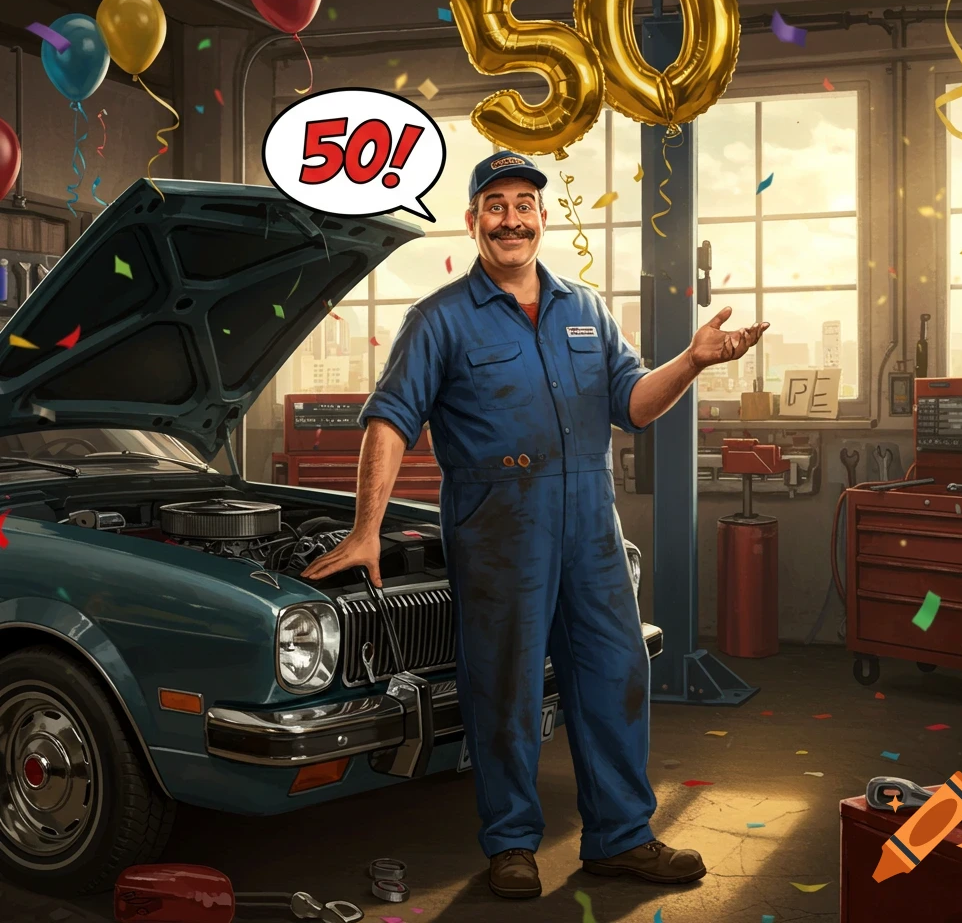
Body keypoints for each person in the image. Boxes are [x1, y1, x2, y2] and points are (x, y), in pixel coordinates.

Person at [302, 150, 769, 899]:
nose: (511, 219)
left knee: (615, 673)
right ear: (472, 221)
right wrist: (365, 529)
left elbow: (633, 406)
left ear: (543, 218)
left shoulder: (586, 308)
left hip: (590, 523)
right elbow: (390, 420)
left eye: (524, 205)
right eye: (496, 206)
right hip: (498, 525)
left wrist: (692, 360)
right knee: (505, 684)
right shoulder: (439, 319)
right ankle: (512, 842)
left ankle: (621, 837)